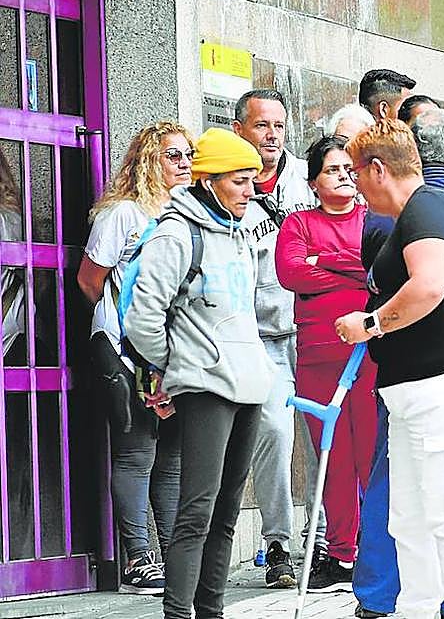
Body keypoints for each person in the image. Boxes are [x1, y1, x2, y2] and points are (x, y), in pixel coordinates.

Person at [335, 119, 444, 619]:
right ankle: (419, 607)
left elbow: (429, 285)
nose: (353, 185)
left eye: (354, 172)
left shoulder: (427, 207)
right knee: (409, 516)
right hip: (424, 386)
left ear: (377, 169)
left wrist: (369, 324)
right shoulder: (420, 210)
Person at [124, 128, 276, 619]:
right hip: (204, 385)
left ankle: (212, 611)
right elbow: (143, 318)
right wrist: (169, 370)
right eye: (239, 181)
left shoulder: (242, 229)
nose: (250, 190)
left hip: (249, 381)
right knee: (198, 509)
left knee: (228, 511)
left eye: (253, 180)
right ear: (209, 181)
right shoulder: (176, 232)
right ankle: (178, 613)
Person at [77, 122, 191, 595]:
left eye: (188, 155)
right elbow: (89, 279)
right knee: (135, 452)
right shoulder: (122, 214)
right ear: (148, 160)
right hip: (123, 349)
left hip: (175, 351)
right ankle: (138, 559)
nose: (184, 164)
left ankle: (171, 554)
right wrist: (122, 321)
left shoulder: (189, 214)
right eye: (173, 156)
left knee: (171, 457)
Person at [275, 135, 377, 592]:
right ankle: (340, 551)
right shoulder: (298, 223)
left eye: (348, 169)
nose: (344, 176)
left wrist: (329, 263)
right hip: (318, 354)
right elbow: (291, 272)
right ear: (314, 181)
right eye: (333, 169)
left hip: (370, 354)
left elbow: (375, 271)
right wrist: (348, 267)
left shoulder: (373, 218)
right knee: (331, 455)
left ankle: (375, 547)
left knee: (371, 453)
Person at [233, 88, 315, 588]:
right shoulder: (225, 186)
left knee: (320, 435)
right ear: (240, 129)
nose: (271, 136)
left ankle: (325, 536)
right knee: (276, 433)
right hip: (260, 337)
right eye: (262, 125)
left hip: (311, 331)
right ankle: (279, 543)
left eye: (279, 127)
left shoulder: (308, 178)